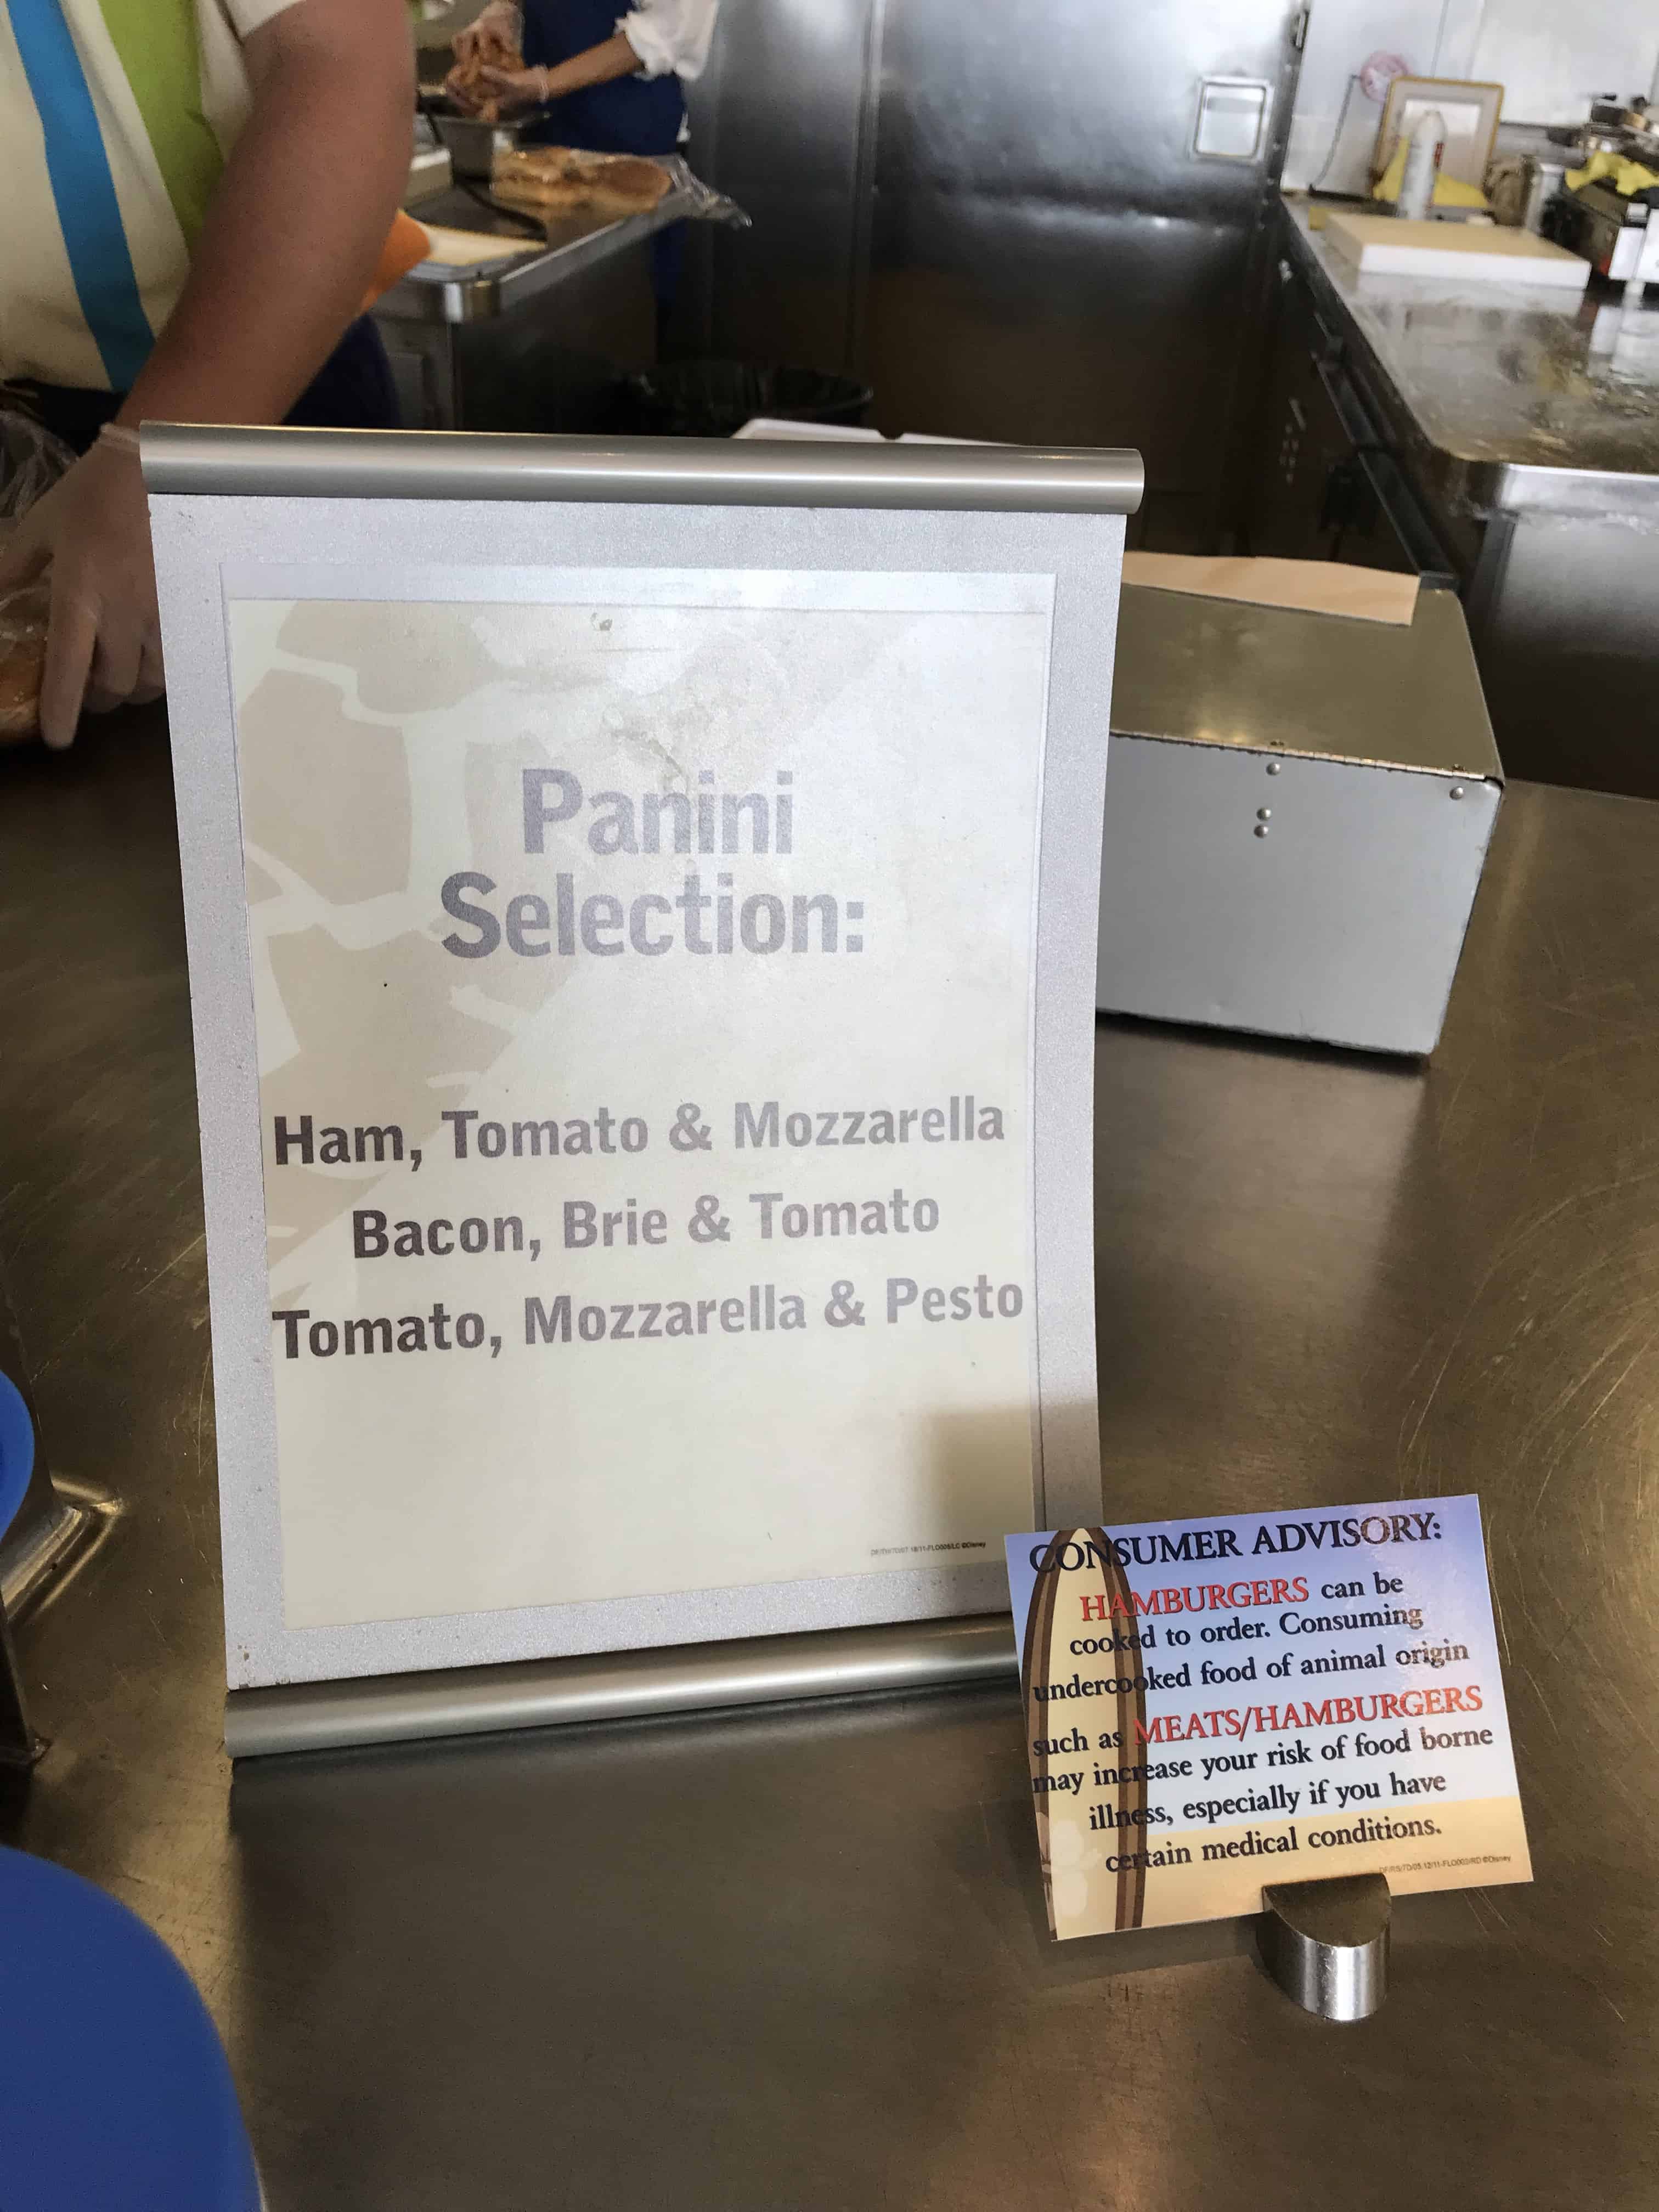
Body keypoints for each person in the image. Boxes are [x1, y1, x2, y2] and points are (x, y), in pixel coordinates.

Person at [0, 0, 415, 749]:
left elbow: (341, 64)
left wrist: (155, 456)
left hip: (247, 405)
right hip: (28, 447)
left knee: (324, 772)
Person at [447, 0, 718, 296]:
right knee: (537, 301)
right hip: (541, 151)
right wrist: (504, 11)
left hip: (629, 151)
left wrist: (546, 84)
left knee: (622, 305)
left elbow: (672, 28)